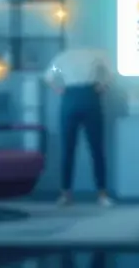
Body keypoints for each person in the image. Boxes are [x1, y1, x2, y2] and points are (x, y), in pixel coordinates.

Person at [46, 45, 114, 206]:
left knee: (68, 149)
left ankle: (66, 194)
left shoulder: (63, 57)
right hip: (90, 95)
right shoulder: (98, 53)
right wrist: (103, 86)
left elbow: (49, 76)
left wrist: (58, 90)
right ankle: (101, 195)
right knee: (96, 148)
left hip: (71, 97)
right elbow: (112, 72)